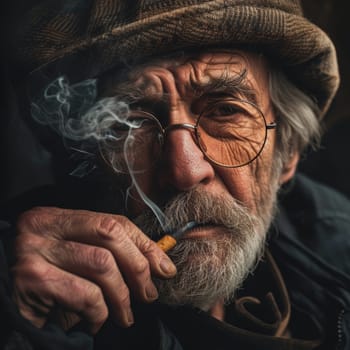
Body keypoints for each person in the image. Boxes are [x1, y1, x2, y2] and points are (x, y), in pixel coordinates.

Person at [0, 1, 349, 349]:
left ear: (287, 154)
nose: (184, 170)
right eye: (134, 121)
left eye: (226, 111)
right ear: (88, 161)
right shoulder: (28, 281)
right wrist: (18, 324)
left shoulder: (337, 247)